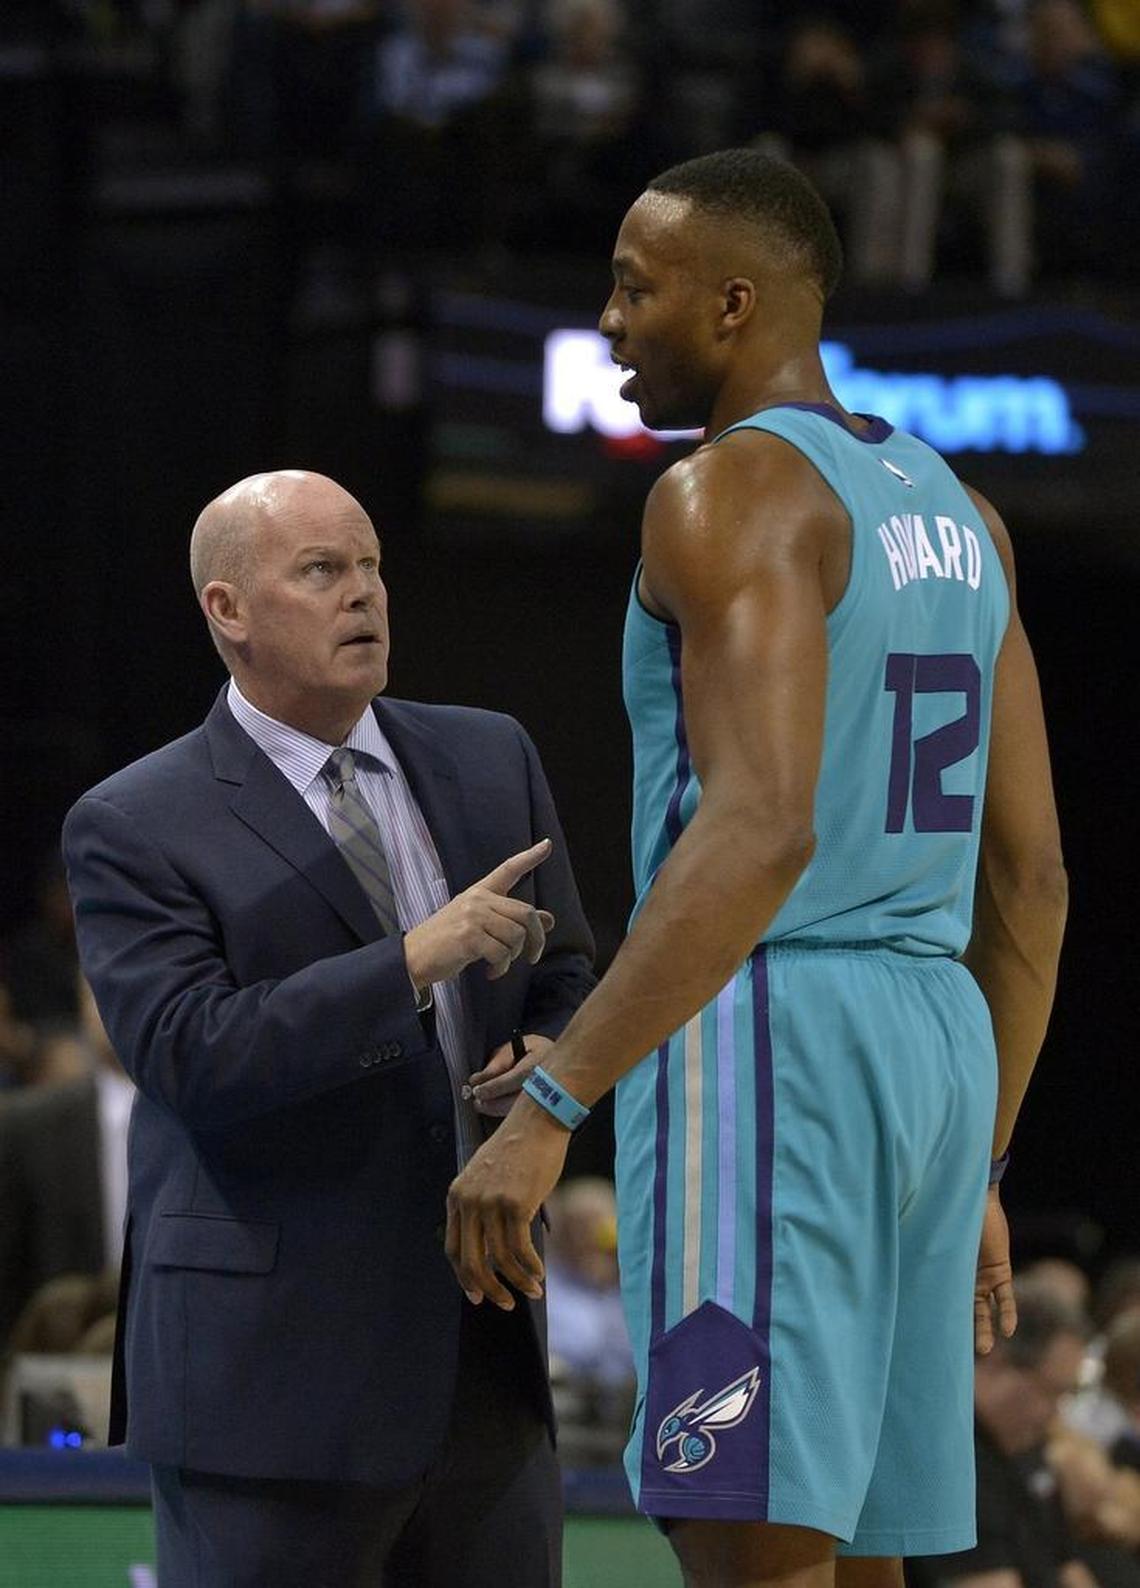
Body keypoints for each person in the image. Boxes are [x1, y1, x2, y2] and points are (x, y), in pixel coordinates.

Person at [446, 147, 1068, 1588]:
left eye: (633, 287)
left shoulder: (724, 493)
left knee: (749, 1555)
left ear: (735, 306)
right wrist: (977, 1154)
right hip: (936, 1051)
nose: (607, 322)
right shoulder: (964, 516)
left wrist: (553, 1102)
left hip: (772, 1038)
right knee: (857, 1560)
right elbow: (1029, 882)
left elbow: (760, 828)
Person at [61, 469, 594, 1588]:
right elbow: (190, 1052)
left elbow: (570, 975)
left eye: (371, 567)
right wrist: (411, 959)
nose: (365, 595)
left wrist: (553, 1063)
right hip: (270, 1397)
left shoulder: (491, 755)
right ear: (229, 610)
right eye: (322, 570)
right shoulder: (135, 821)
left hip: (484, 1368)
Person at [0, 975, 133, 1349]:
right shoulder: (26, 1127)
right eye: (100, 986)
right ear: (82, 1004)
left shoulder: (222, 1121)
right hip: (56, 1370)